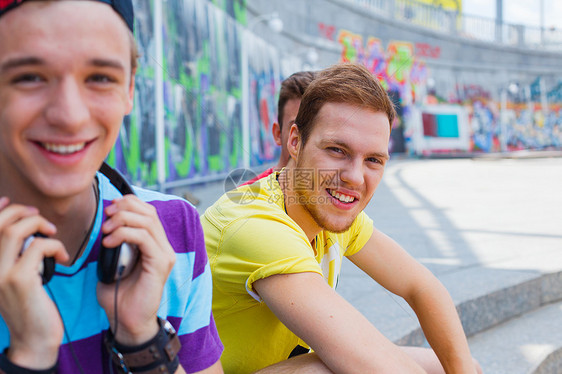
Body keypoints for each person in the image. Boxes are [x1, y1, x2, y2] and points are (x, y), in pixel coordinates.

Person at [202, 63, 481, 373]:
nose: (354, 177)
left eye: (373, 160)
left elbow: (422, 287)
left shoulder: (325, 207)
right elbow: (370, 362)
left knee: (451, 365)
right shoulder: (255, 225)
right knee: (326, 369)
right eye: (337, 150)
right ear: (294, 141)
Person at [0, 1, 223, 373]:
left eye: (100, 77)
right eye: (29, 77)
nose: (70, 116)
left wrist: (142, 338)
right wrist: (30, 356)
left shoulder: (174, 229)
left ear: (130, 89)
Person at [242, 71, 316, 186]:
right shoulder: (246, 197)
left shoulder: (338, 196)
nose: (309, 140)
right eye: (298, 130)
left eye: (316, 129)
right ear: (277, 134)